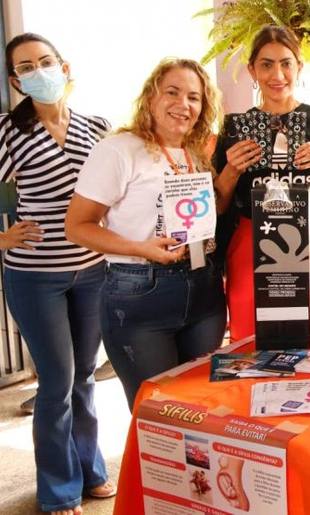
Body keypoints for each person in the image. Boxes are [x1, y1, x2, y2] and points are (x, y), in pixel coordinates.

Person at [0, 33, 115, 515]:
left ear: (65, 66)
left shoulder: (97, 127)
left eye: (46, 61)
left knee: (86, 376)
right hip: (35, 276)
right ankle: (58, 487)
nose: (39, 71)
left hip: (93, 271)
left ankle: (91, 469)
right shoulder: (1, 131)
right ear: (16, 80)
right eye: (26, 67)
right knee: (57, 380)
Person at [65, 57, 227, 410]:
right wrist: (142, 248)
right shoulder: (119, 149)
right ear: (150, 98)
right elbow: (77, 226)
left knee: (202, 409)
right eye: (172, 92)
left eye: (194, 97)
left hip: (205, 292)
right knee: (159, 413)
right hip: (141, 293)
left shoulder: (196, 152)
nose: (183, 104)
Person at [213, 26, 310, 341]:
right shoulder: (235, 127)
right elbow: (218, 205)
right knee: (252, 345)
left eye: (286, 63)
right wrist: (232, 170)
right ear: (252, 70)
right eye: (266, 64)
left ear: (299, 67)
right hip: (251, 244)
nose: (277, 74)